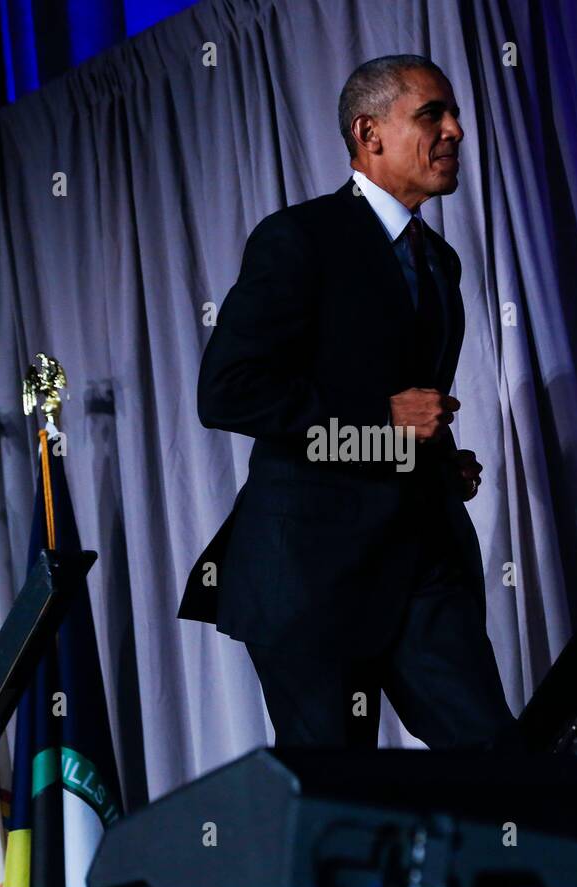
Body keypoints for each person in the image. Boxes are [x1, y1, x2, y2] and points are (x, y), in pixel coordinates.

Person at [179, 54, 520, 750]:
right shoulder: (300, 238)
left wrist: (436, 458)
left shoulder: (440, 261)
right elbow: (227, 391)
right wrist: (381, 422)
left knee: (497, 764)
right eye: (433, 114)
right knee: (343, 805)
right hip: (311, 574)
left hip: (422, 565)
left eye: (453, 113)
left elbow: (402, 385)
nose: (455, 129)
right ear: (370, 134)